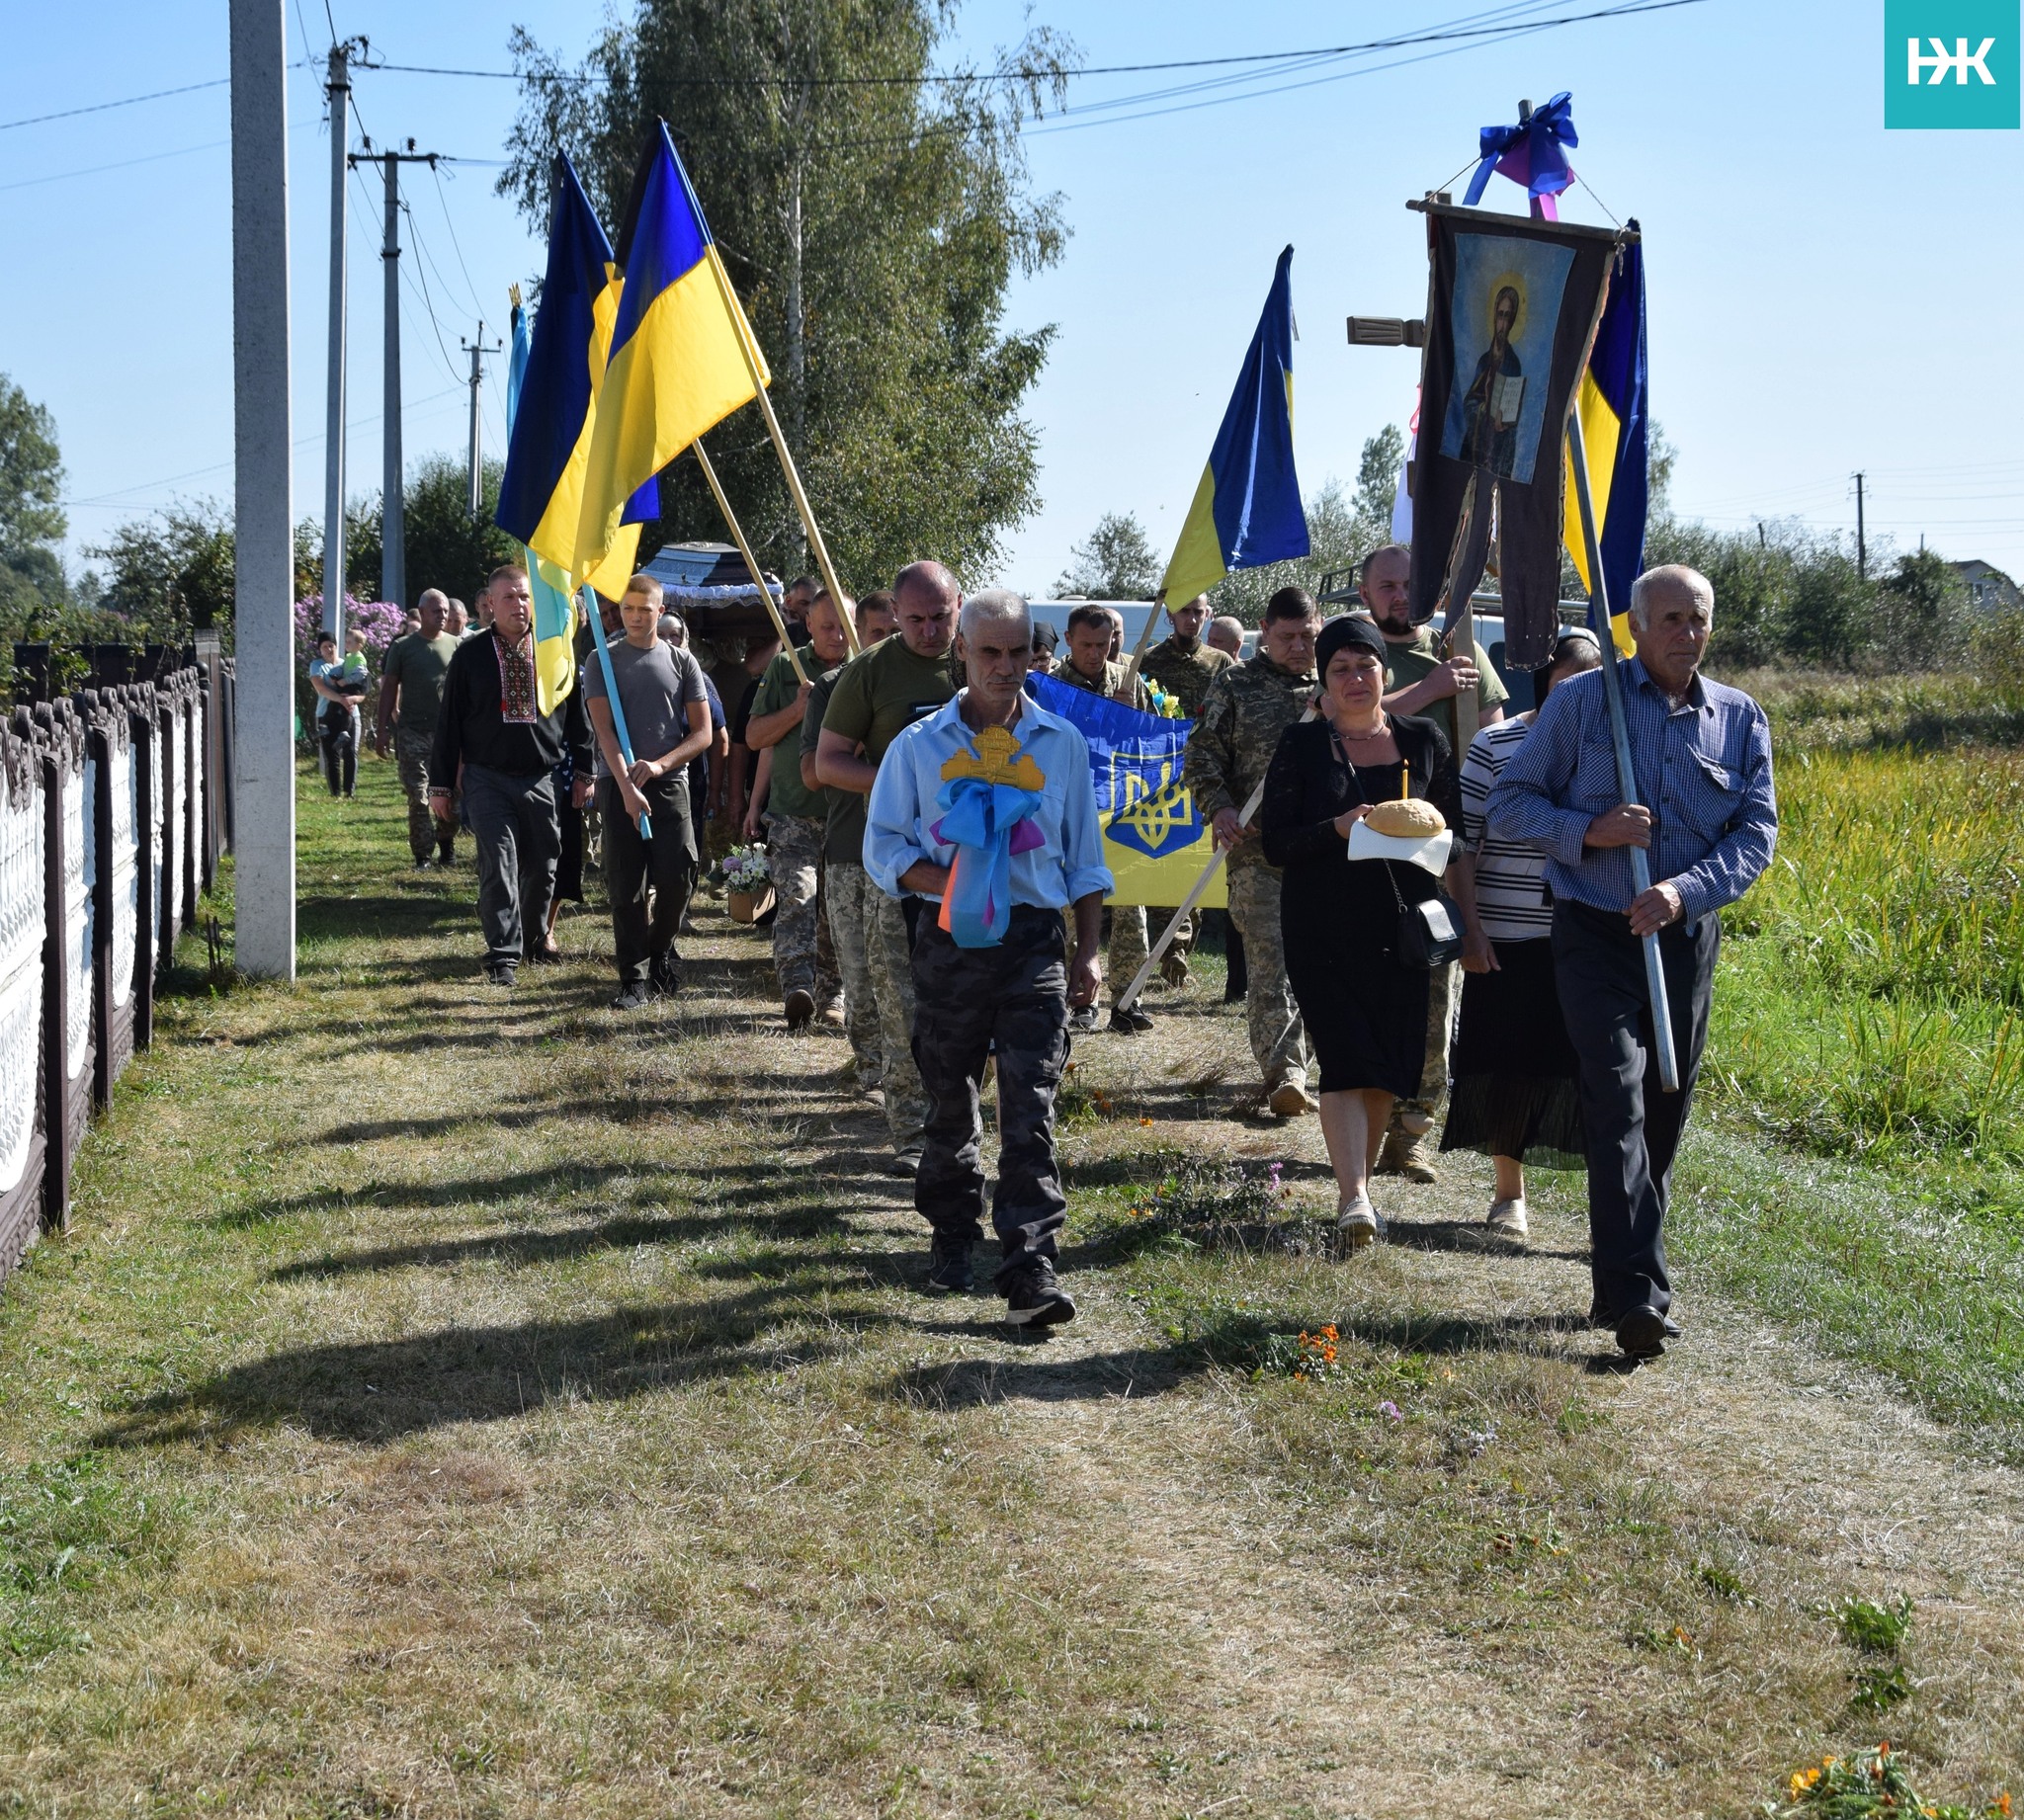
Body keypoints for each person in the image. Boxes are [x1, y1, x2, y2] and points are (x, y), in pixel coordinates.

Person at [1488, 566, 1776, 1360]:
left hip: (1682, 938)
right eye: (1672, 618)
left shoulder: (1740, 719)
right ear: (1636, 627)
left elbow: (1757, 834)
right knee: (1614, 1099)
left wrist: (1684, 893)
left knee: (1664, 1106)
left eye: (1700, 619)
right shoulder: (1583, 705)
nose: (1688, 633)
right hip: (1593, 931)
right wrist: (1591, 830)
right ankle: (1641, 1301)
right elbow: (1512, 803)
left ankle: (1614, 1283)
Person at [865, 588, 1109, 1326]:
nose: (1005, 668)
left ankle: (1030, 1263)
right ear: (960, 653)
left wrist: (1090, 954)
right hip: (948, 941)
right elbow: (884, 846)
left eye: (1018, 653)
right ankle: (951, 1233)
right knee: (950, 1098)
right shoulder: (918, 747)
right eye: (989, 653)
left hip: (1034, 942)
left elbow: (1085, 863)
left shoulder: (1060, 743)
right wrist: (960, 883)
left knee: (1030, 1102)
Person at [1260, 616, 1463, 1246]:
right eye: (1340, 668)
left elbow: (1456, 837)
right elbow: (1276, 844)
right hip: (1322, 925)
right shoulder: (1301, 746)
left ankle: (1362, 1186)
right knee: (1346, 1055)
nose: (1355, 678)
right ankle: (1353, 1198)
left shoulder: (1423, 739)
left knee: (1384, 1063)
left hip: (1404, 928)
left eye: (1365, 665)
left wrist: (1469, 919)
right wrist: (1337, 829)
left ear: (1385, 670)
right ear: (1323, 681)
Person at [1442, 626, 1603, 1240]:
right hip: (1508, 933)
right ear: (1543, 685)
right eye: (1564, 689)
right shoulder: (1497, 743)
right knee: (1506, 1065)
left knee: (1595, 1071)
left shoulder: (1618, 747)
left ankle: (1605, 1210)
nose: (1574, 704)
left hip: (1591, 934)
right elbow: (1464, 845)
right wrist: (1472, 931)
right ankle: (1509, 1196)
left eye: (1588, 691)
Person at [1362, 540, 1508, 1183]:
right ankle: (1364, 1120)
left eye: (1410, 584)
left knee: (1434, 990)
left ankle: (1413, 1129)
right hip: (1362, 851)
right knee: (1368, 998)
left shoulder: (1460, 648)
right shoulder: (1353, 654)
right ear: (1366, 595)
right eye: (1387, 585)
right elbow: (1346, 725)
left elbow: (1493, 735)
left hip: (1438, 849)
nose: (1400, 595)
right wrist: (1430, 689)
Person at [815, 561, 961, 1176]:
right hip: (899, 867)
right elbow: (827, 764)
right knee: (902, 1004)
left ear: (960, 608)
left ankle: (962, 1121)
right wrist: (903, 785)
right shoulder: (868, 673)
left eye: (941, 618)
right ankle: (911, 1135)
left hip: (977, 865)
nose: (930, 631)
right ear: (895, 616)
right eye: (917, 619)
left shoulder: (979, 661)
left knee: (967, 1004)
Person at [1183, 586, 1321, 1117]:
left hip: (1325, 850)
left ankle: (1311, 1060)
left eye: (1307, 636)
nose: (1298, 647)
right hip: (1257, 850)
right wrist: (1218, 806)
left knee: (1317, 962)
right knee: (1271, 958)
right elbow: (1201, 752)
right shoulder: (1237, 685)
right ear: (1265, 631)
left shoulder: (1336, 685)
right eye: (1286, 637)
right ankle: (1285, 1072)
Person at [429, 565, 592, 987]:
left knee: (544, 864)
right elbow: (449, 725)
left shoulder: (555, 652)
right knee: (498, 864)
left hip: (543, 776)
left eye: (524, 597)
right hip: (487, 779)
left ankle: (535, 939)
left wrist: (586, 770)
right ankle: (503, 955)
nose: (519, 605)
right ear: (490, 605)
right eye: (509, 598)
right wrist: (442, 785)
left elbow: (578, 716)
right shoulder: (470, 656)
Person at [580, 574, 712, 1009]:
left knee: (678, 877)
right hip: (617, 783)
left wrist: (659, 765)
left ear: (661, 610)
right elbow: (604, 732)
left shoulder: (682, 662)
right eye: (628, 608)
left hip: (669, 784)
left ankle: (659, 953)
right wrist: (626, 789)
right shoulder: (602, 659)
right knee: (626, 885)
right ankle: (633, 979)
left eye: (644, 609)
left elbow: (703, 733)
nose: (635, 617)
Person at [744, 591, 852, 1029]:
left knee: (836, 909)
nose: (837, 635)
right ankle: (797, 989)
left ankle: (834, 996)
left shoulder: (862, 668)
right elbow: (754, 738)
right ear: (808, 623)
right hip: (792, 813)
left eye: (844, 625)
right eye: (827, 625)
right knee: (798, 896)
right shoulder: (786, 666)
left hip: (846, 812)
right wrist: (797, 709)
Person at [803, 592, 894, 1097]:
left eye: (893, 631)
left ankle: (911, 1071)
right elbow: (812, 773)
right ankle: (870, 1070)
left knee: (903, 977)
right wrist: (855, 752)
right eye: (877, 634)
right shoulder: (834, 688)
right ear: (859, 633)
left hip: (914, 854)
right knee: (859, 976)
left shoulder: (933, 683)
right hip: (849, 848)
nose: (887, 642)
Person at [1051, 604, 1154, 1033]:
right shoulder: (1050, 686)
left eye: (1104, 643)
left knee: (1131, 908)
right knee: (1072, 910)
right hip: (1069, 813)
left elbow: (1155, 743)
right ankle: (1076, 1002)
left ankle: (1129, 1000)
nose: (1095, 653)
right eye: (1086, 644)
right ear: (1069, 639)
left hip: (1121, 808)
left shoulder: (1128, 682)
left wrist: (1132, 715)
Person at [1137, 592, 1234, 988]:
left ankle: (1182, 944)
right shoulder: (1149, 661)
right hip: (1161, 777)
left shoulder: (1220, 663)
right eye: (1185, 612)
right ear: (1171, 615)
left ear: (1207, 615)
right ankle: (1170, 952)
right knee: (1166, 861)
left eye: (1199, 612)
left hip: (1207, 775)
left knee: (1198, 864)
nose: (1192, 620)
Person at [377, 589, 460, 868]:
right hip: (413, 732)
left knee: (450, 794)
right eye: (436, 611)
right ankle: (423, 854)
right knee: (419, 795)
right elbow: (389, 687)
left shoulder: (456, 645)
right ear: (422, 612)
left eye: (445, 611)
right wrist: (382, 729)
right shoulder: (403, 647)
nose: (442, 616)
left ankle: (446, 846)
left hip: (448, 735)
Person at [307, 631, 365, 797]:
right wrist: (341, 699)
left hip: (351, 713)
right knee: (331, 753)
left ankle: (349, 791)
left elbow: (362, 690)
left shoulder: (347, 663)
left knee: (350, 752)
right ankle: (335, 792)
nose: (329, 649)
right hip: (327, 715)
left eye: (331, 645)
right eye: (325, 646)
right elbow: (321, 688)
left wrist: (352, 699)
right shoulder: (317, 666)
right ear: (320, 649)